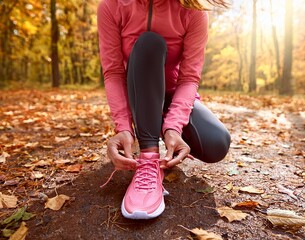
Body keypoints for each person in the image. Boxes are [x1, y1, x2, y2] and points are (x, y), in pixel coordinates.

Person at [97, 0, 231, 220]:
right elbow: (113, 72)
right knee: (149, 43)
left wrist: (174, 126)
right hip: (139, 92)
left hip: (173, 93)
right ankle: (148, 160)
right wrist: (123, 127)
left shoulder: (193, 12)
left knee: (217, 144)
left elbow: (189, 78)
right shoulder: (111, 7)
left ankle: (159, 125)